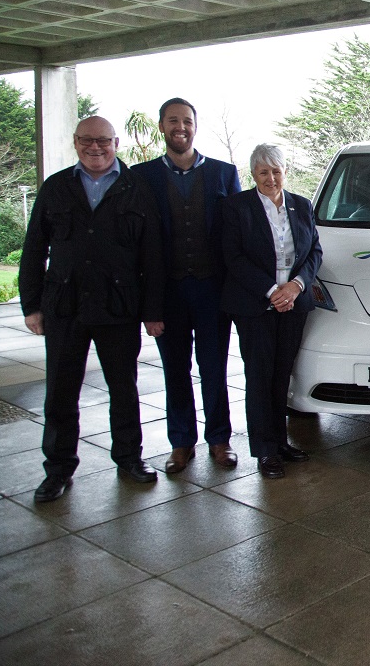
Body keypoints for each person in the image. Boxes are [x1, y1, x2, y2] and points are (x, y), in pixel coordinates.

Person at [20, 116, 166, 502]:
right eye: (87, 140)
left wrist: (153, 311)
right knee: (60, 393)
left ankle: (129, 459)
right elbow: (34, 250)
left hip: (118, 307)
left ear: (116, 142)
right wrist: (31, 306)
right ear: (75, 142)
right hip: (65, 306)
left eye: (103, 140)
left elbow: (152, 256)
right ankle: (58, 470)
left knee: (124, 389)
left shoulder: (137, 188)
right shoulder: (56, 187)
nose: (95, 147)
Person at [132, 98, 242, 474]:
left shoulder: (224, 173)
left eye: (187, 121)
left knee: (214, 369)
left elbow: (235, 235)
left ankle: (219, 440)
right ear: (161, 126)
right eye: (173, 121)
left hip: (212, 291)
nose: (181, 127)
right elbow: (136, 242)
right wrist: (148, 305)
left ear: (196, 126)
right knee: (174, 370)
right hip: (167, 294)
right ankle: (181, 443)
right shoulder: (140, 176)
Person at [219, 144, 322, 479]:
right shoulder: (237, 208)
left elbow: (314, 253)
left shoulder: (301, 205)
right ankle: (265, 450)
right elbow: (232, 258)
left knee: (281, 375)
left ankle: (280, 441)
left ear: (285, 171)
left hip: (294, 304)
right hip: (255, 305)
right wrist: (272, 291)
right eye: (263, 172)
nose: (271, 177)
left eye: (276, 170)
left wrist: (296, 287)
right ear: (253, 174)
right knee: (260, 377)